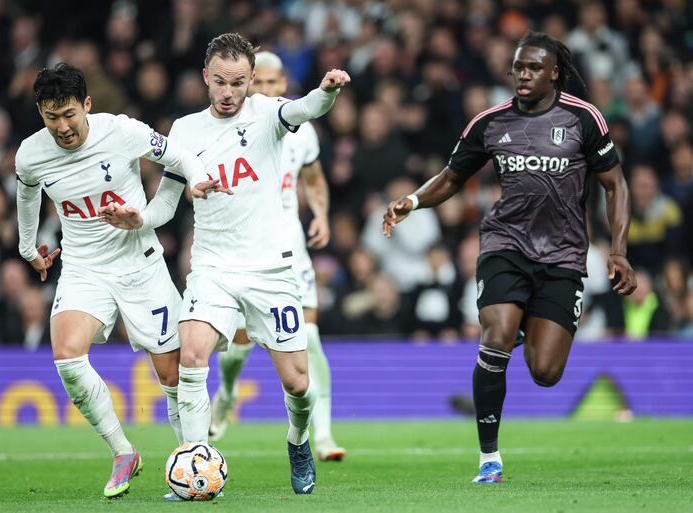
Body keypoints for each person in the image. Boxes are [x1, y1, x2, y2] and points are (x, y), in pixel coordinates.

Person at [99, 33, 350, 495]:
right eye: (220, 82)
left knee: (298, 384)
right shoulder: (186, 131)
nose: (229, 92)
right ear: (205, 79)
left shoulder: (267, 114)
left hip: (271, 271)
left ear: (252, 80)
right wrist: (138, 219)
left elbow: (306, 108)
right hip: (213, 268)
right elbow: (165, 207)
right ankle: (194, 469)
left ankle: (298, 441)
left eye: (238, 82)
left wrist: (327, 91)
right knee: (192, 355)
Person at [382, 32, 637, 484]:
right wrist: (414, 201)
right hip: (506, 246)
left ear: (554, 72)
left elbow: (615, 185)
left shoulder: (584, 118)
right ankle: (489, 459)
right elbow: (451, 176)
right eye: (517, 67)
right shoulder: (489, 123)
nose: (522, 74)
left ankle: (521, 332)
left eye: (533, 68)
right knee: (495, 336)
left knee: (545, 372)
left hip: (563, 257)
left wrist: (618, 251)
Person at [15, 63, 224, 498]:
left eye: (70, 114)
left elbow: (178, 155)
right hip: (83, 267)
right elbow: (27, 189)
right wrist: (27, 246)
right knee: (68, 358)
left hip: (138, 263)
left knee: (172, 375)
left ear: (87, 104)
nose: (63, 127)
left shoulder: (122, 132)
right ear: (40, 113)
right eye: (52, 117)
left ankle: (194, 461)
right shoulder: (31, 154)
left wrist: (199, 180)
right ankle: (123, 451)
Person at [205, 50, 346, 462]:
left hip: (291, 250)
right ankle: (228, 392)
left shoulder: (301, 129)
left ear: (283, 84)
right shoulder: (231, 127)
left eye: (273, 83)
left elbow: (315, 179)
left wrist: (319, 213)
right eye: (259, 83)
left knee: (311, 338)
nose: (266, 90)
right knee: (240, 345)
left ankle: (322, 434)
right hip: (244, 248)